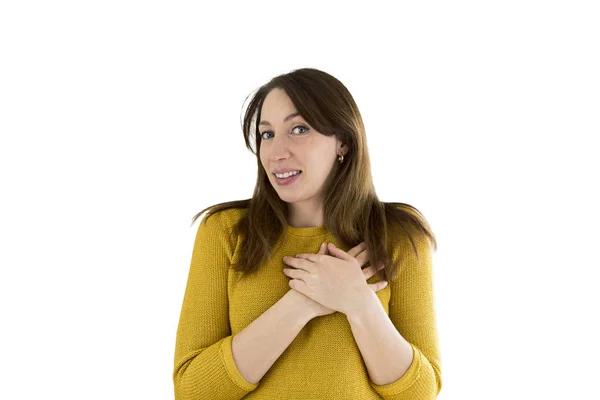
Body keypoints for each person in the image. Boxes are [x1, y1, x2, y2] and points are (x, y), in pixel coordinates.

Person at [172, 67, 442, 399]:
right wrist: (302, 302)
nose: (276, 152)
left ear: (342, 141)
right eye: (267, 134)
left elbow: (419, 394)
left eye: (299, 129)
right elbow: (192, 390)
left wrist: (359, 303)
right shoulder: (225, 231)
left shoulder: (398, 235)